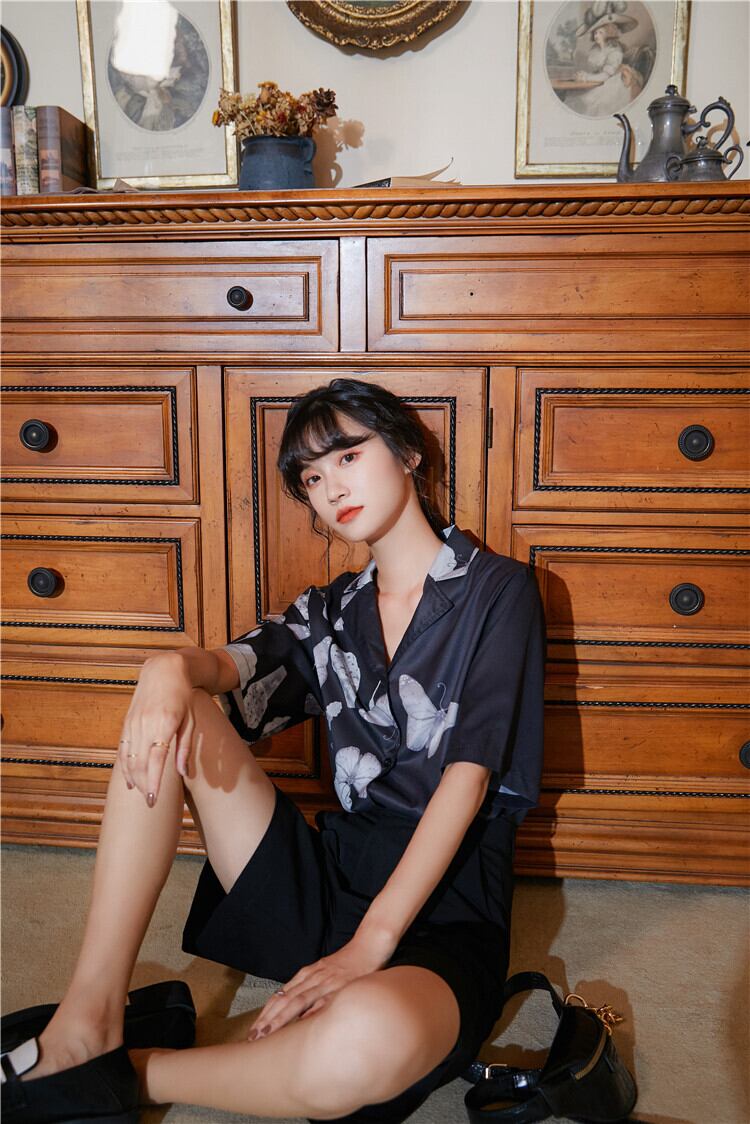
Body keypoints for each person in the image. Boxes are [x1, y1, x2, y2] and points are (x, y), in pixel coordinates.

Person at [1, 377, 546, 1124]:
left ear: (409, 453)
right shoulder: (333, 611)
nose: (331, 489)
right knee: (170, 707)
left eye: (347, 456)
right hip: (330, 883)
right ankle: (86, 1019)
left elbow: (468, 779)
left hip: (443, 913)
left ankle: (131, 1073)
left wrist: (368, 949)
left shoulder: (498, 591)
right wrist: (167, 667)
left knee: (362, 1044)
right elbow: (238, 666)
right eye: (311, 479)